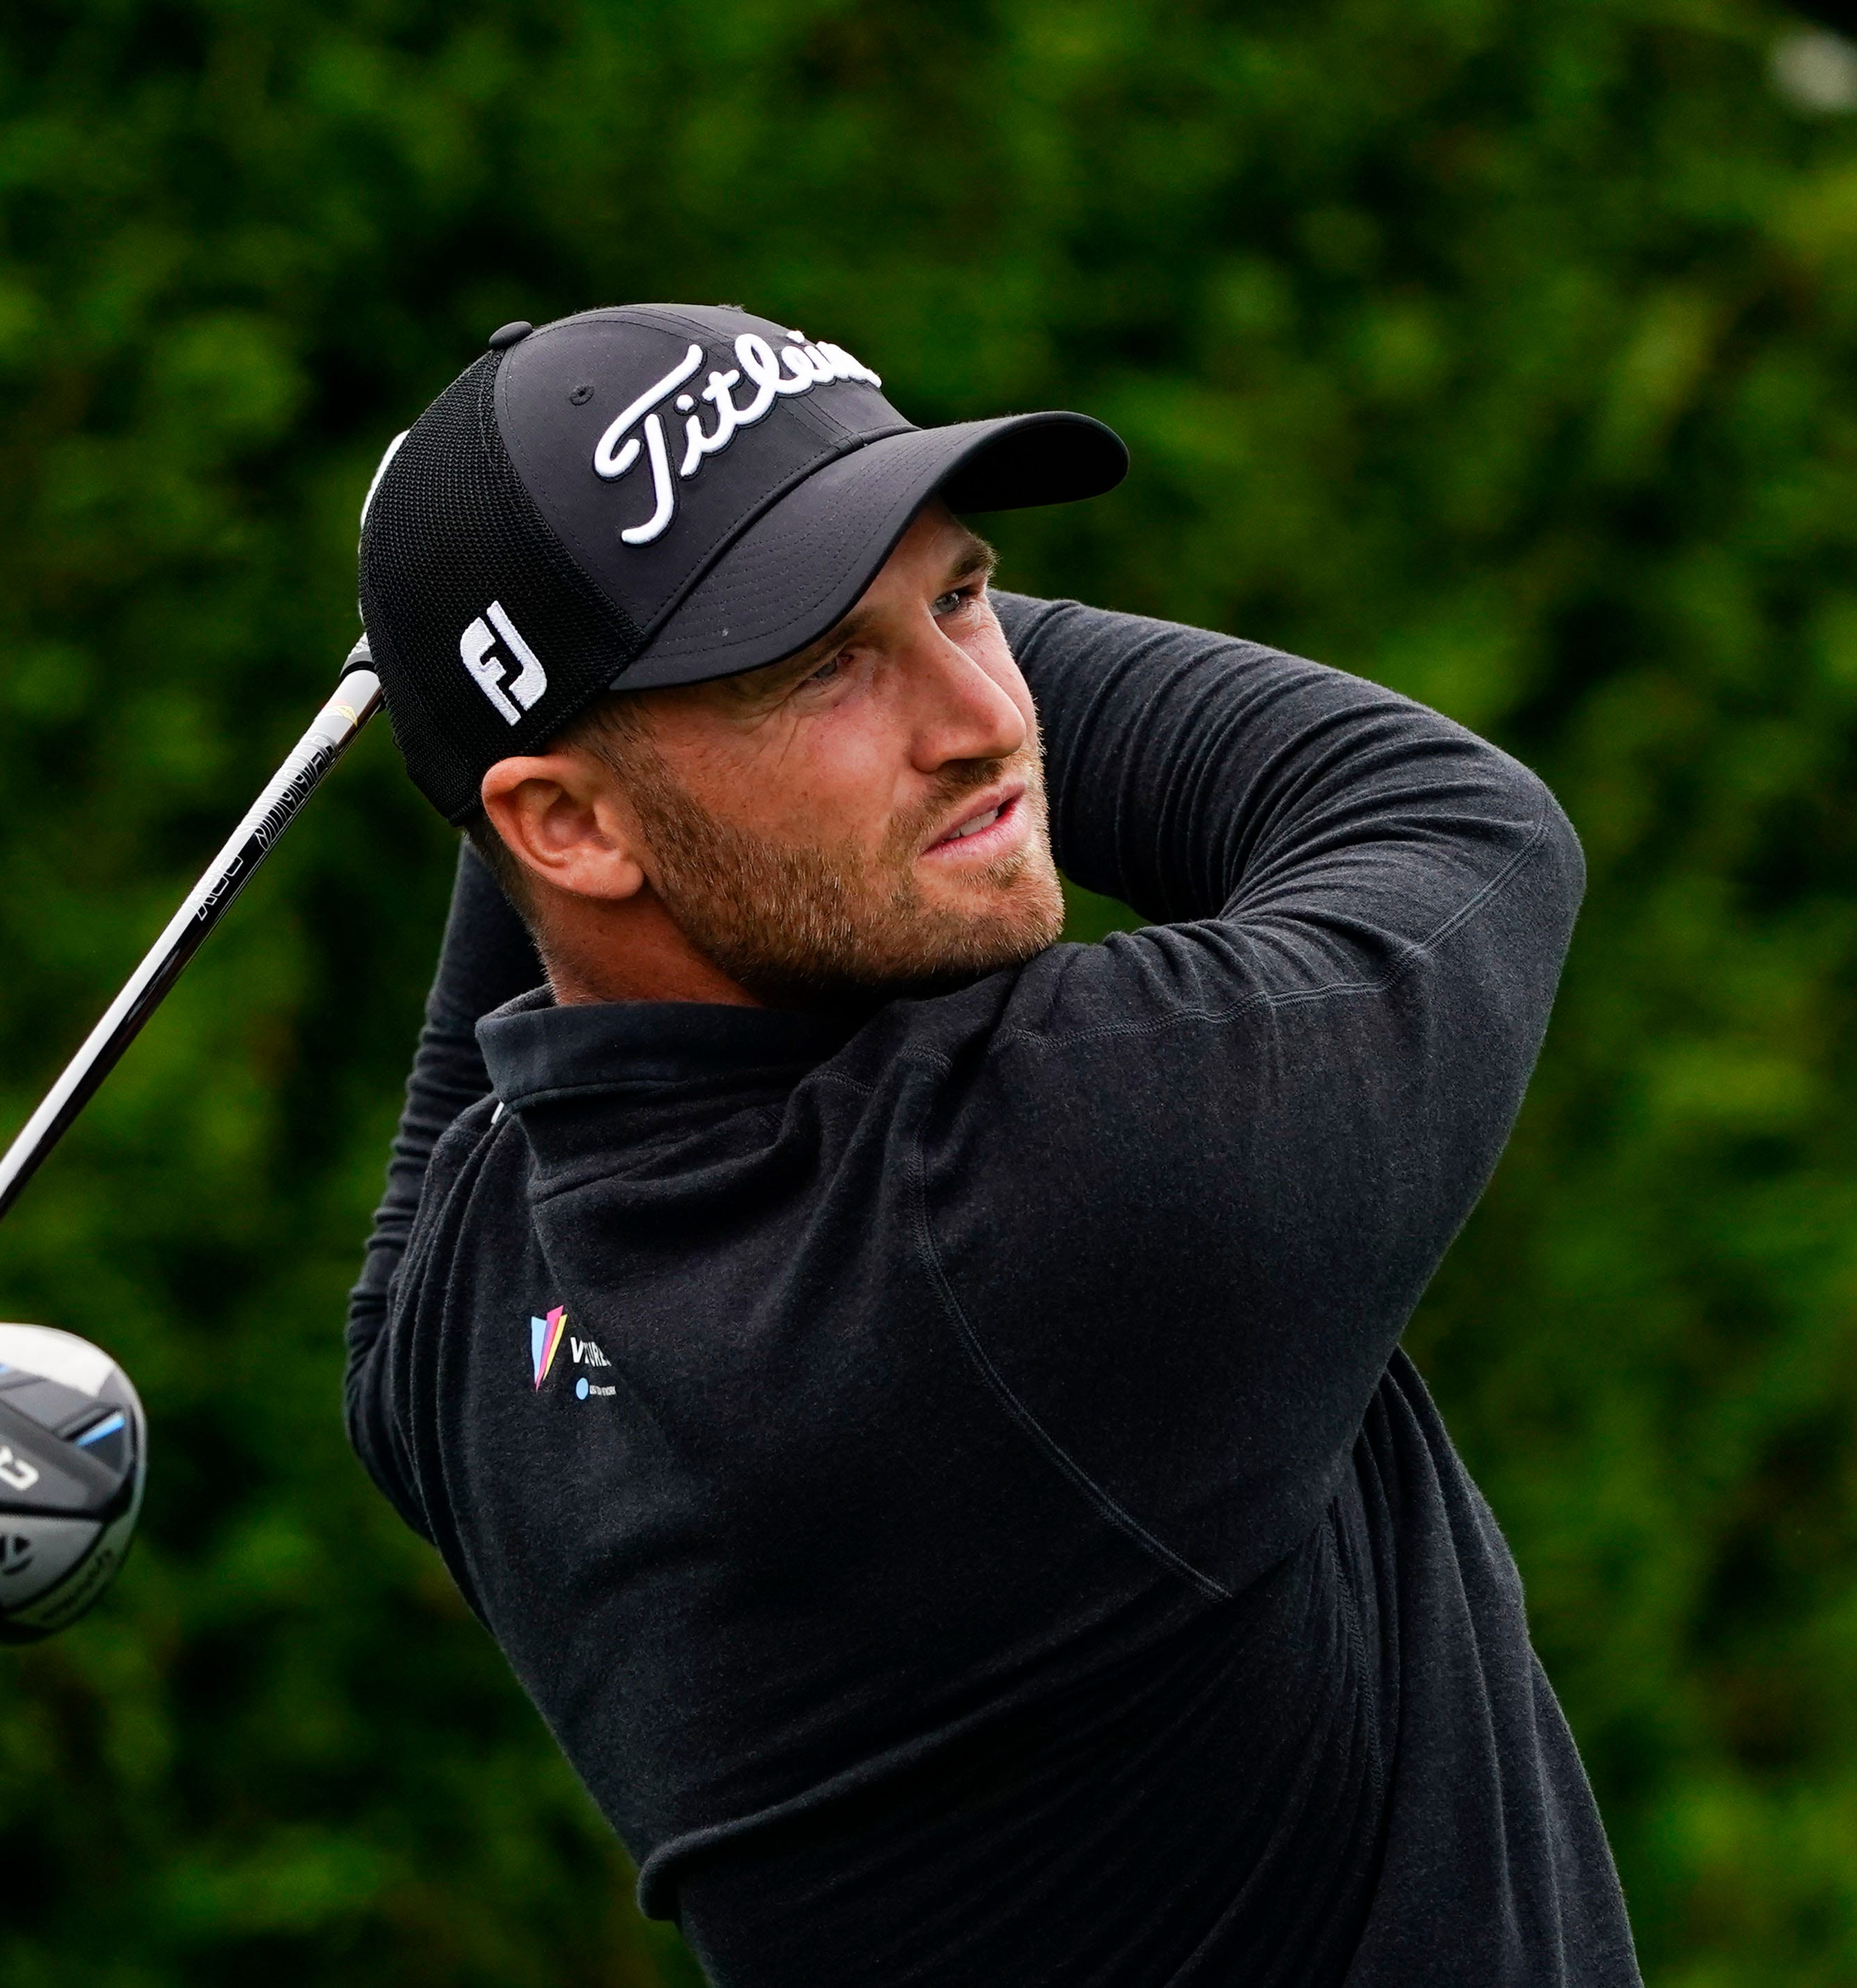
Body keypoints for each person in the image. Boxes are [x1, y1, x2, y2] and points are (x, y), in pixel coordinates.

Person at [343, 304, 1638, 1987]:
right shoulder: (1037, 1202)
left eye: (962, 592)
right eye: (821, 664)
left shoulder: (471, 1330)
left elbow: (526, 954)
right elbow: (1453, 822)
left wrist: (514, 558)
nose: (985, 713)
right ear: (573, 823)